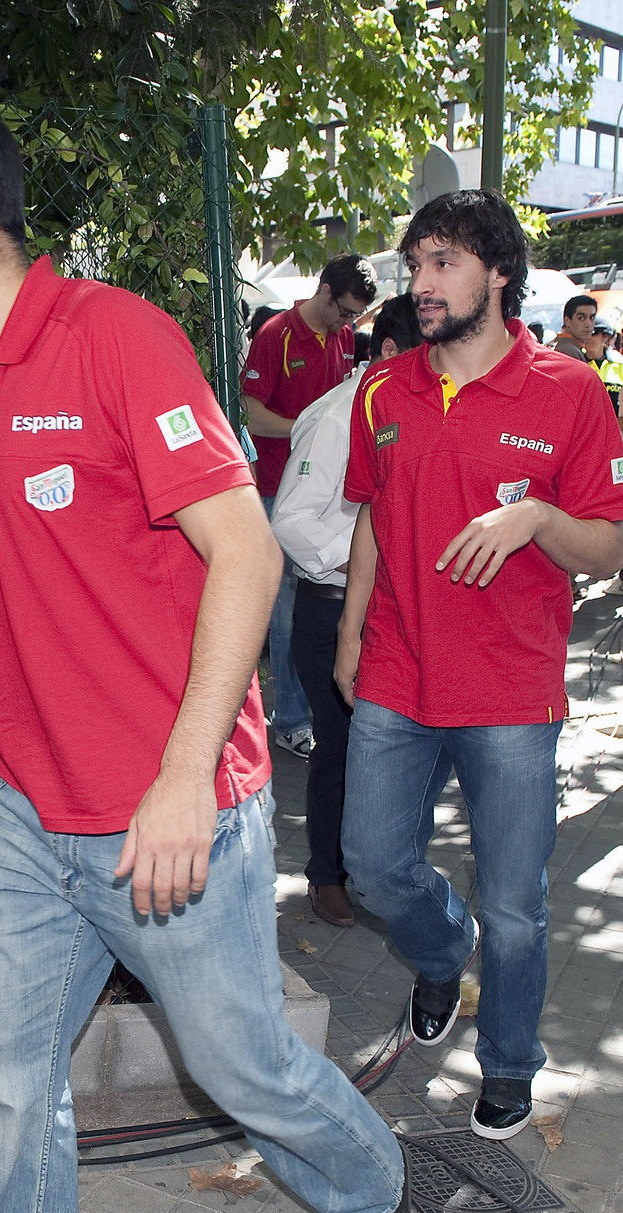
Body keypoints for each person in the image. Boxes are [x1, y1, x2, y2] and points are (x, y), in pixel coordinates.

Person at [0, 94, 412, 1213]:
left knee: (241, 1064)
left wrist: (176, 777)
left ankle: (377, 1183)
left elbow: (248, 553)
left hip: (175, 810)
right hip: (34, 815)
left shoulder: (117, 343)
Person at [335, 189, 623, 1142]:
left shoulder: (571, 391)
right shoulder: (383, 389)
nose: (421, 284)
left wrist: (536, 518)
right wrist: (350, 631)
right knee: (374, 868)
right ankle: (437, 948)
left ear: (499, 273)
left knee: (517, 907)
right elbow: (372, 516)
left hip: (510, 688)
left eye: (444, 264)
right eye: (416, 265)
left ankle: (507, 1063)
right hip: (396, 673)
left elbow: (608, 548)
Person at [271, 294, 422, 929]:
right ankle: (327, 877)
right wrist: (367, 565)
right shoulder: (337, 416)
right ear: (389, 352)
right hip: (331, 609)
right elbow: (292, 522)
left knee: (394, 747)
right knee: (342, 748)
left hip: (394, 608)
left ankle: (382, 872)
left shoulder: (409, 411)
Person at [241, 255, 378, 760]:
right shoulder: (275, 335)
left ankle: (316, 709)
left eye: (355, 317)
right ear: (324, 291)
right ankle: (291, 719)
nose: (349, 324)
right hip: (280, 486)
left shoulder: (342, 337)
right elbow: (251, 411)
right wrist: (312, 425)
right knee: (286, 610)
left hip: (333, 488)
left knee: (320, 605)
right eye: (345, 311)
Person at [585, 315, 623, 430]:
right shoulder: (576, 361)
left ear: (604, 337)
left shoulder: (619, 365)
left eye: (592, 333)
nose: (586, 337)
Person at [550, 293, 597, 360]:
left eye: (592, 318)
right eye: (581, 318)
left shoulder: (560, 344)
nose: (588, 324)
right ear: (567, 320)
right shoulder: (569, 351)